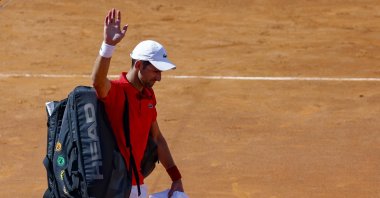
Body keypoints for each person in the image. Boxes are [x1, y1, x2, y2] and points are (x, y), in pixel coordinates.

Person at [91, 8, 184, 198]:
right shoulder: (116, 91)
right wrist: (108, 45)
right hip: (117, 186)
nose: (159, 78)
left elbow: (157, 138)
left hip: (137, 185)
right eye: (156, 71)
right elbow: (98, 82)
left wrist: (176, 177)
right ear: (139, 65)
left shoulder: (148, 96)